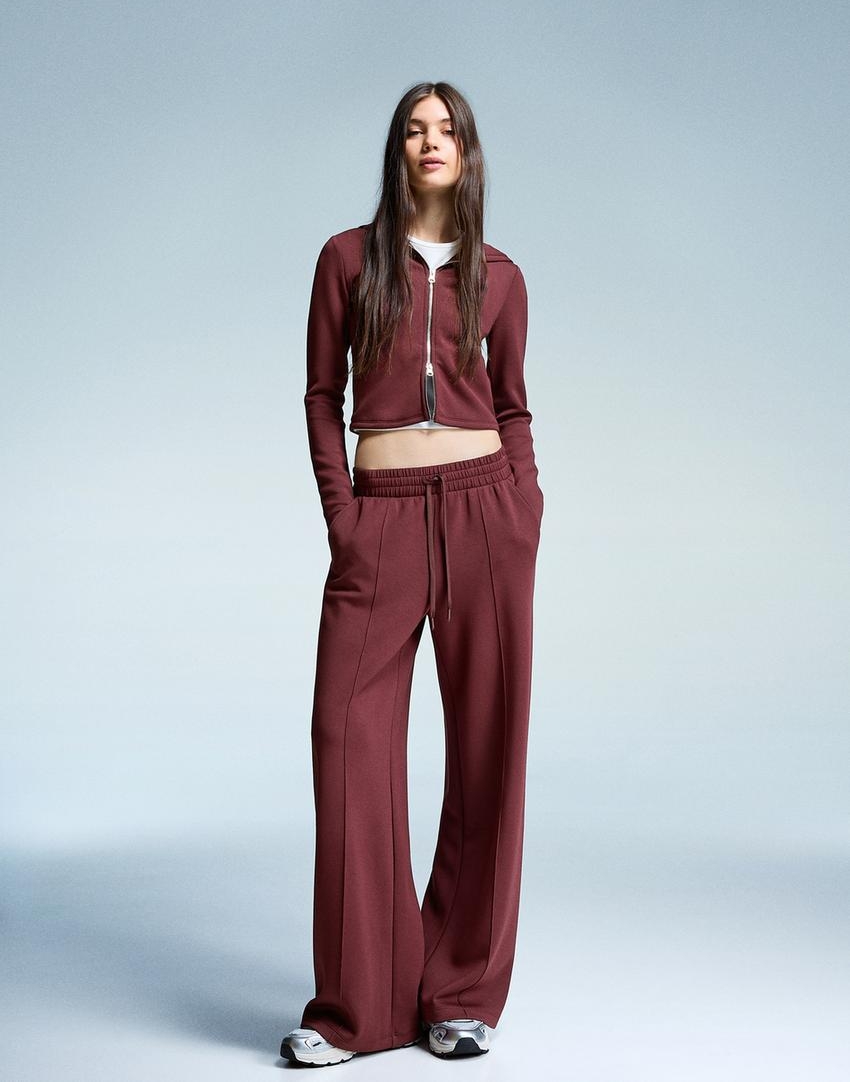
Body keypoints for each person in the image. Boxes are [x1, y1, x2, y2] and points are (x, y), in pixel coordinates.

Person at [280, 81, 544, 1067]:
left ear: (467, 153)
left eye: (447, 130)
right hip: (380, 520)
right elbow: (321, 394)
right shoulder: (347, 260)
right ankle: (358, 1008)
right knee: (346, 739)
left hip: (487, 517)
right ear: (395, 152)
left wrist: (524, 505)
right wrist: (344, 517)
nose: (430, 141)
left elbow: (513, 404)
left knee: (488, 748)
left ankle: (460, 994)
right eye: (413, 130)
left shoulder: (501, 276)